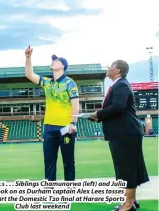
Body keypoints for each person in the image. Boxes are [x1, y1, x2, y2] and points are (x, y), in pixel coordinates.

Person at [89, 60, 149, 211]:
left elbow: (117, 107)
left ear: (117, 71)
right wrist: (100, 116)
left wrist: (98, 114)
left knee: (126, 168)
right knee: (130, 167)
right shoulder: (120, 84)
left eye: (110, 66)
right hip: (126, 132)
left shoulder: (121, 84)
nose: (108, 68)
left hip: (124, 133)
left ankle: (127, 205)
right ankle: (132, 200)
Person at [25, 46, 80, 181]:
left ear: (62, 66)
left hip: (65, 127)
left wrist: (73, 123)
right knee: (49, 162)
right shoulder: (47, 82)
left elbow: (75, 104)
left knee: (68, 161)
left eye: (56, 61)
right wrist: (28, 58)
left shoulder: (70, 83)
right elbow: (29, 75)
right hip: (49, 127)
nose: (53, 62)